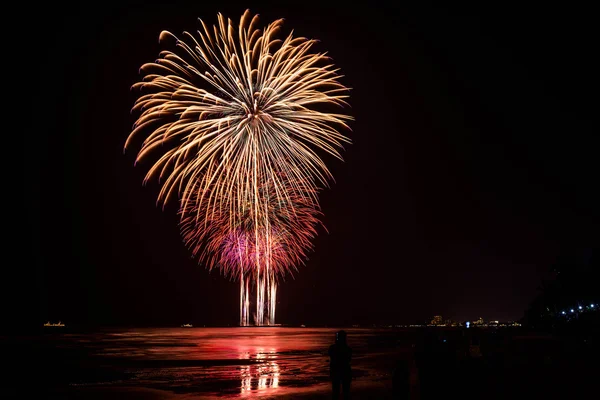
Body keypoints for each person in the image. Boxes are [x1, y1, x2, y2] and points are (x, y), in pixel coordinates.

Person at [328, 330, 352, 399]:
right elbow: (349, 359)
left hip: (336, 370)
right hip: (345, 370)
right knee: (345, 392)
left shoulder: (332, 348)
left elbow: (331, 356)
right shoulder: (348, 349)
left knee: (336, 391)